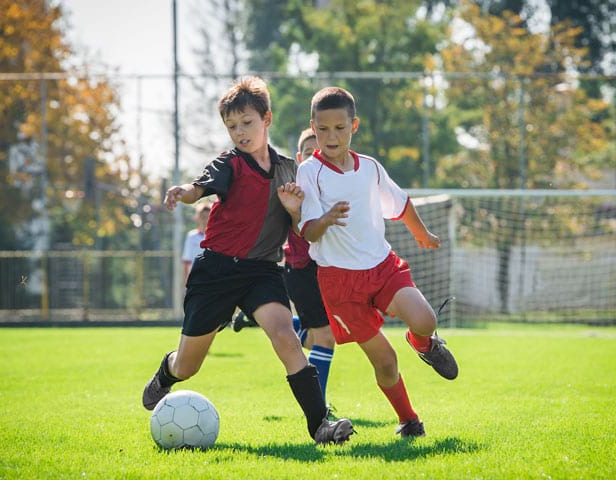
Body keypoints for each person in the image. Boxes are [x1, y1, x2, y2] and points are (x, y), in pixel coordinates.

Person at [141, 77, 353, 445]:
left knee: (286, 336)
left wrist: (293, 210)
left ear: (266, 118)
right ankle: (167, 372)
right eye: (232, 126)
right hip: (216, 272)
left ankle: (320, 425)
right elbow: (200, 187)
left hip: (262, 271)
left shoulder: (289, 170)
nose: (240, 132)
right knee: (188, 366)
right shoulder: (229, 164)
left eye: (247, 123)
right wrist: (184, 192)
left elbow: (301, 229)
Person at [296, 86, 458, 439]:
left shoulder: (369, 167)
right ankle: (409, 420)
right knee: (385, 362)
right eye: (323, 129)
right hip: (340, 284)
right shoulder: (309, 172)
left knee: (425, 319)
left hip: (383, 267)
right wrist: (327, 218)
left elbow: (400, 204)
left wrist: (422, 234)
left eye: (340, 128)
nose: (331, 136)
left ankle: (423, 344)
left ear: (354, 126)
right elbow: (307, 231)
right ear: (314, 126)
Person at [232, 128, 336, 404]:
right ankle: (319, 408)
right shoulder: (290, 187)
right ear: (300, 158)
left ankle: (257, 317)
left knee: (330, 333)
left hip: (330, 268)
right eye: (311, 153)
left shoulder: (336, 183)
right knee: (325, 337)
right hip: (301, 269)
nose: (318, 157)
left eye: (323, 151)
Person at [181, 202, 211, 282]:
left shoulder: (215, 237)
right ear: (197, 217)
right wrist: (185, 283)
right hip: (195, 279)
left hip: (210, 279)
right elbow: (186, 261)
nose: (205, 220)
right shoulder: (191, 236)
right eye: (203, 217)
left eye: (208, 217)